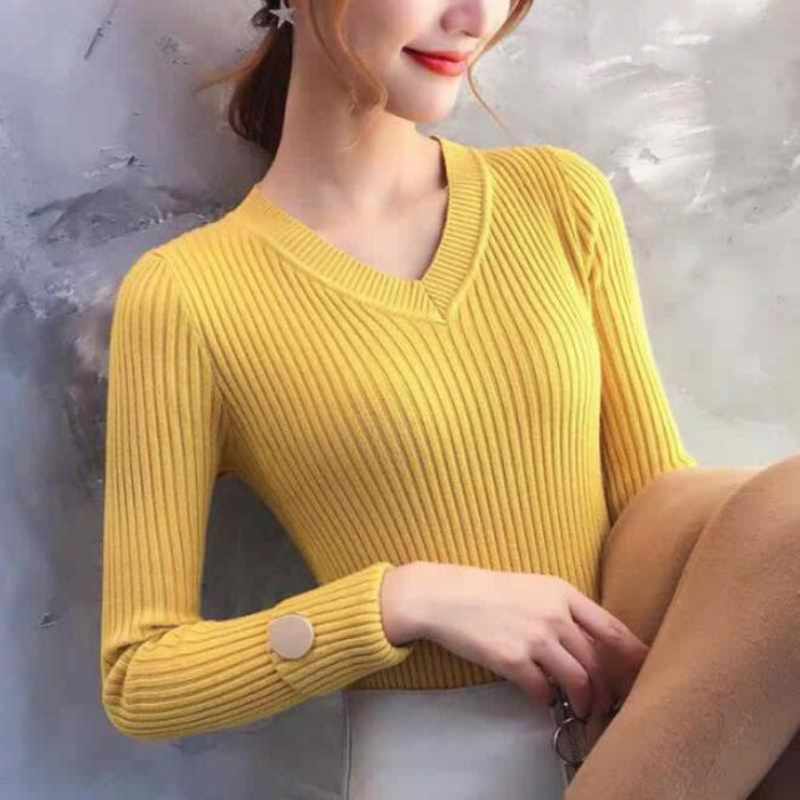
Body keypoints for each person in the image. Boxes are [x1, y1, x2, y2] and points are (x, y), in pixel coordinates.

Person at [99, 1, 800, 798]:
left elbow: (651, 502)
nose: (475, 17)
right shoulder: (188, 295)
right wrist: (401, 600)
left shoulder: (556, 198)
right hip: (446, 771)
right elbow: (140, 677)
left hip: (660, 732)